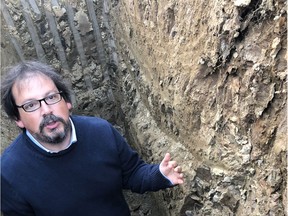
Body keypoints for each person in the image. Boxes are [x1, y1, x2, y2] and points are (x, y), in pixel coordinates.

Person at [1, 61, 184, 216]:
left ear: (67, 102)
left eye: (51, 97)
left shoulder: (100, 132)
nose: (46, 110)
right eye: (31, 105)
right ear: (17, 119)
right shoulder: (9, 174)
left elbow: (132, 173)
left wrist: (158, 175)